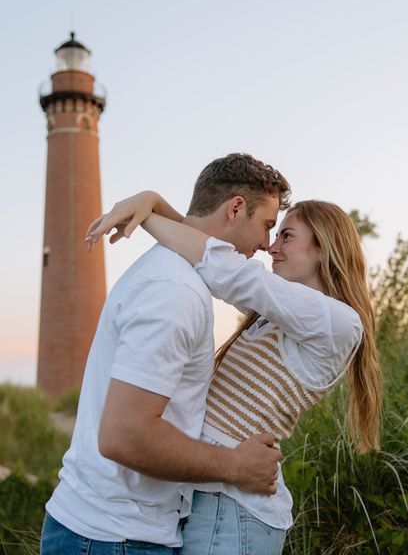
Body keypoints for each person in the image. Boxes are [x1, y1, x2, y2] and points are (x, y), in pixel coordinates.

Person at [86, 191, 383, 555]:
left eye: (286, 236)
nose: (272, 247)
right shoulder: (276, 316)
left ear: (324, 248)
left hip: (235, 512)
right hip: (214, 497)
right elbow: (207, 252)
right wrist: (152, 203)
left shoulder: (336, 322)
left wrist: (147, 214)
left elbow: (224, 269)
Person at [40, 153, 292, 555]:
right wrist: (235, 466)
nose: (266, 245)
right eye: (266, 225)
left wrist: (154, 202)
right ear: (236, 209)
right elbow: (125, 435)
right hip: (113, 539)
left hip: (109, 532)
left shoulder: (175, 272)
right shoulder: (174, 291)